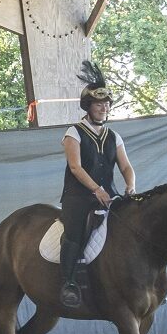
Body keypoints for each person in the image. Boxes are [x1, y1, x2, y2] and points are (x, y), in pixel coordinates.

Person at [59, 61, 136, 308]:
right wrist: (96, 189)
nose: (104, 108)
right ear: (88, 107)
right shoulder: (74, 132)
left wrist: (130, 185)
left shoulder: (114, 136)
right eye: (98, 104)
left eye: (106, 104)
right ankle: (69, 282)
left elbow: (125, 166)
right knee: (74, 232)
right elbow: (75, 167)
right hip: (79, 197)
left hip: (109, 195)